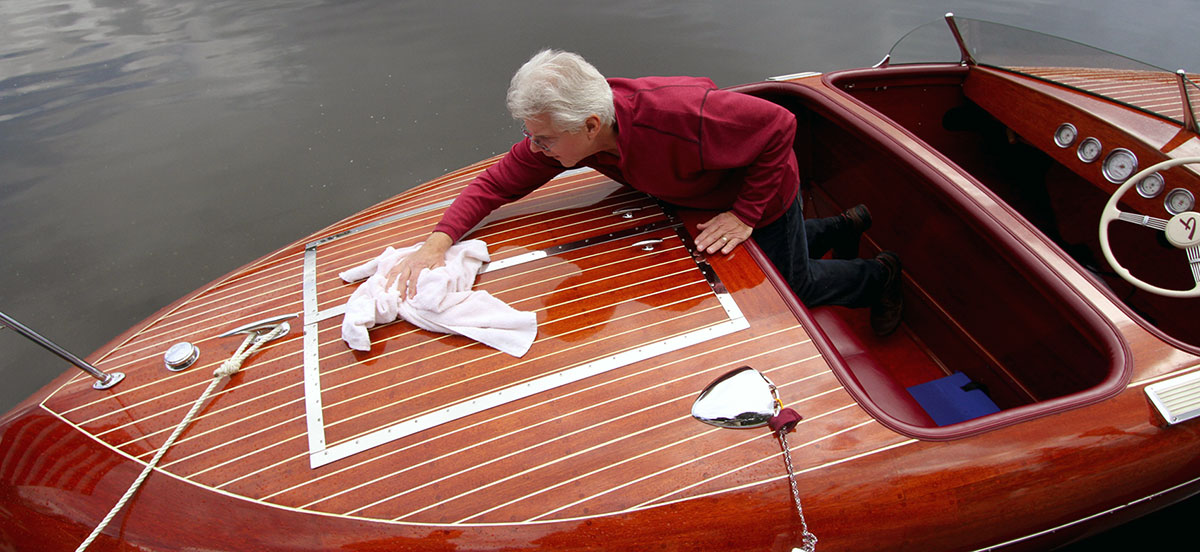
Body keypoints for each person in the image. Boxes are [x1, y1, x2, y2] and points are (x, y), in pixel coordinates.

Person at [386, 50, 902, 335]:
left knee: (795, 286)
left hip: (757, 193)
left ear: (589, 124)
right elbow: (497, 183)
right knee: (769, 253)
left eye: (543, 137)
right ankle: (844, 224)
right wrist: (437, 243)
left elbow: (779, 126)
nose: (534, 147)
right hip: (704, 199)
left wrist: (746, 213)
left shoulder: (680, 114)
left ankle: (877, 276)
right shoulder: (578, 137)